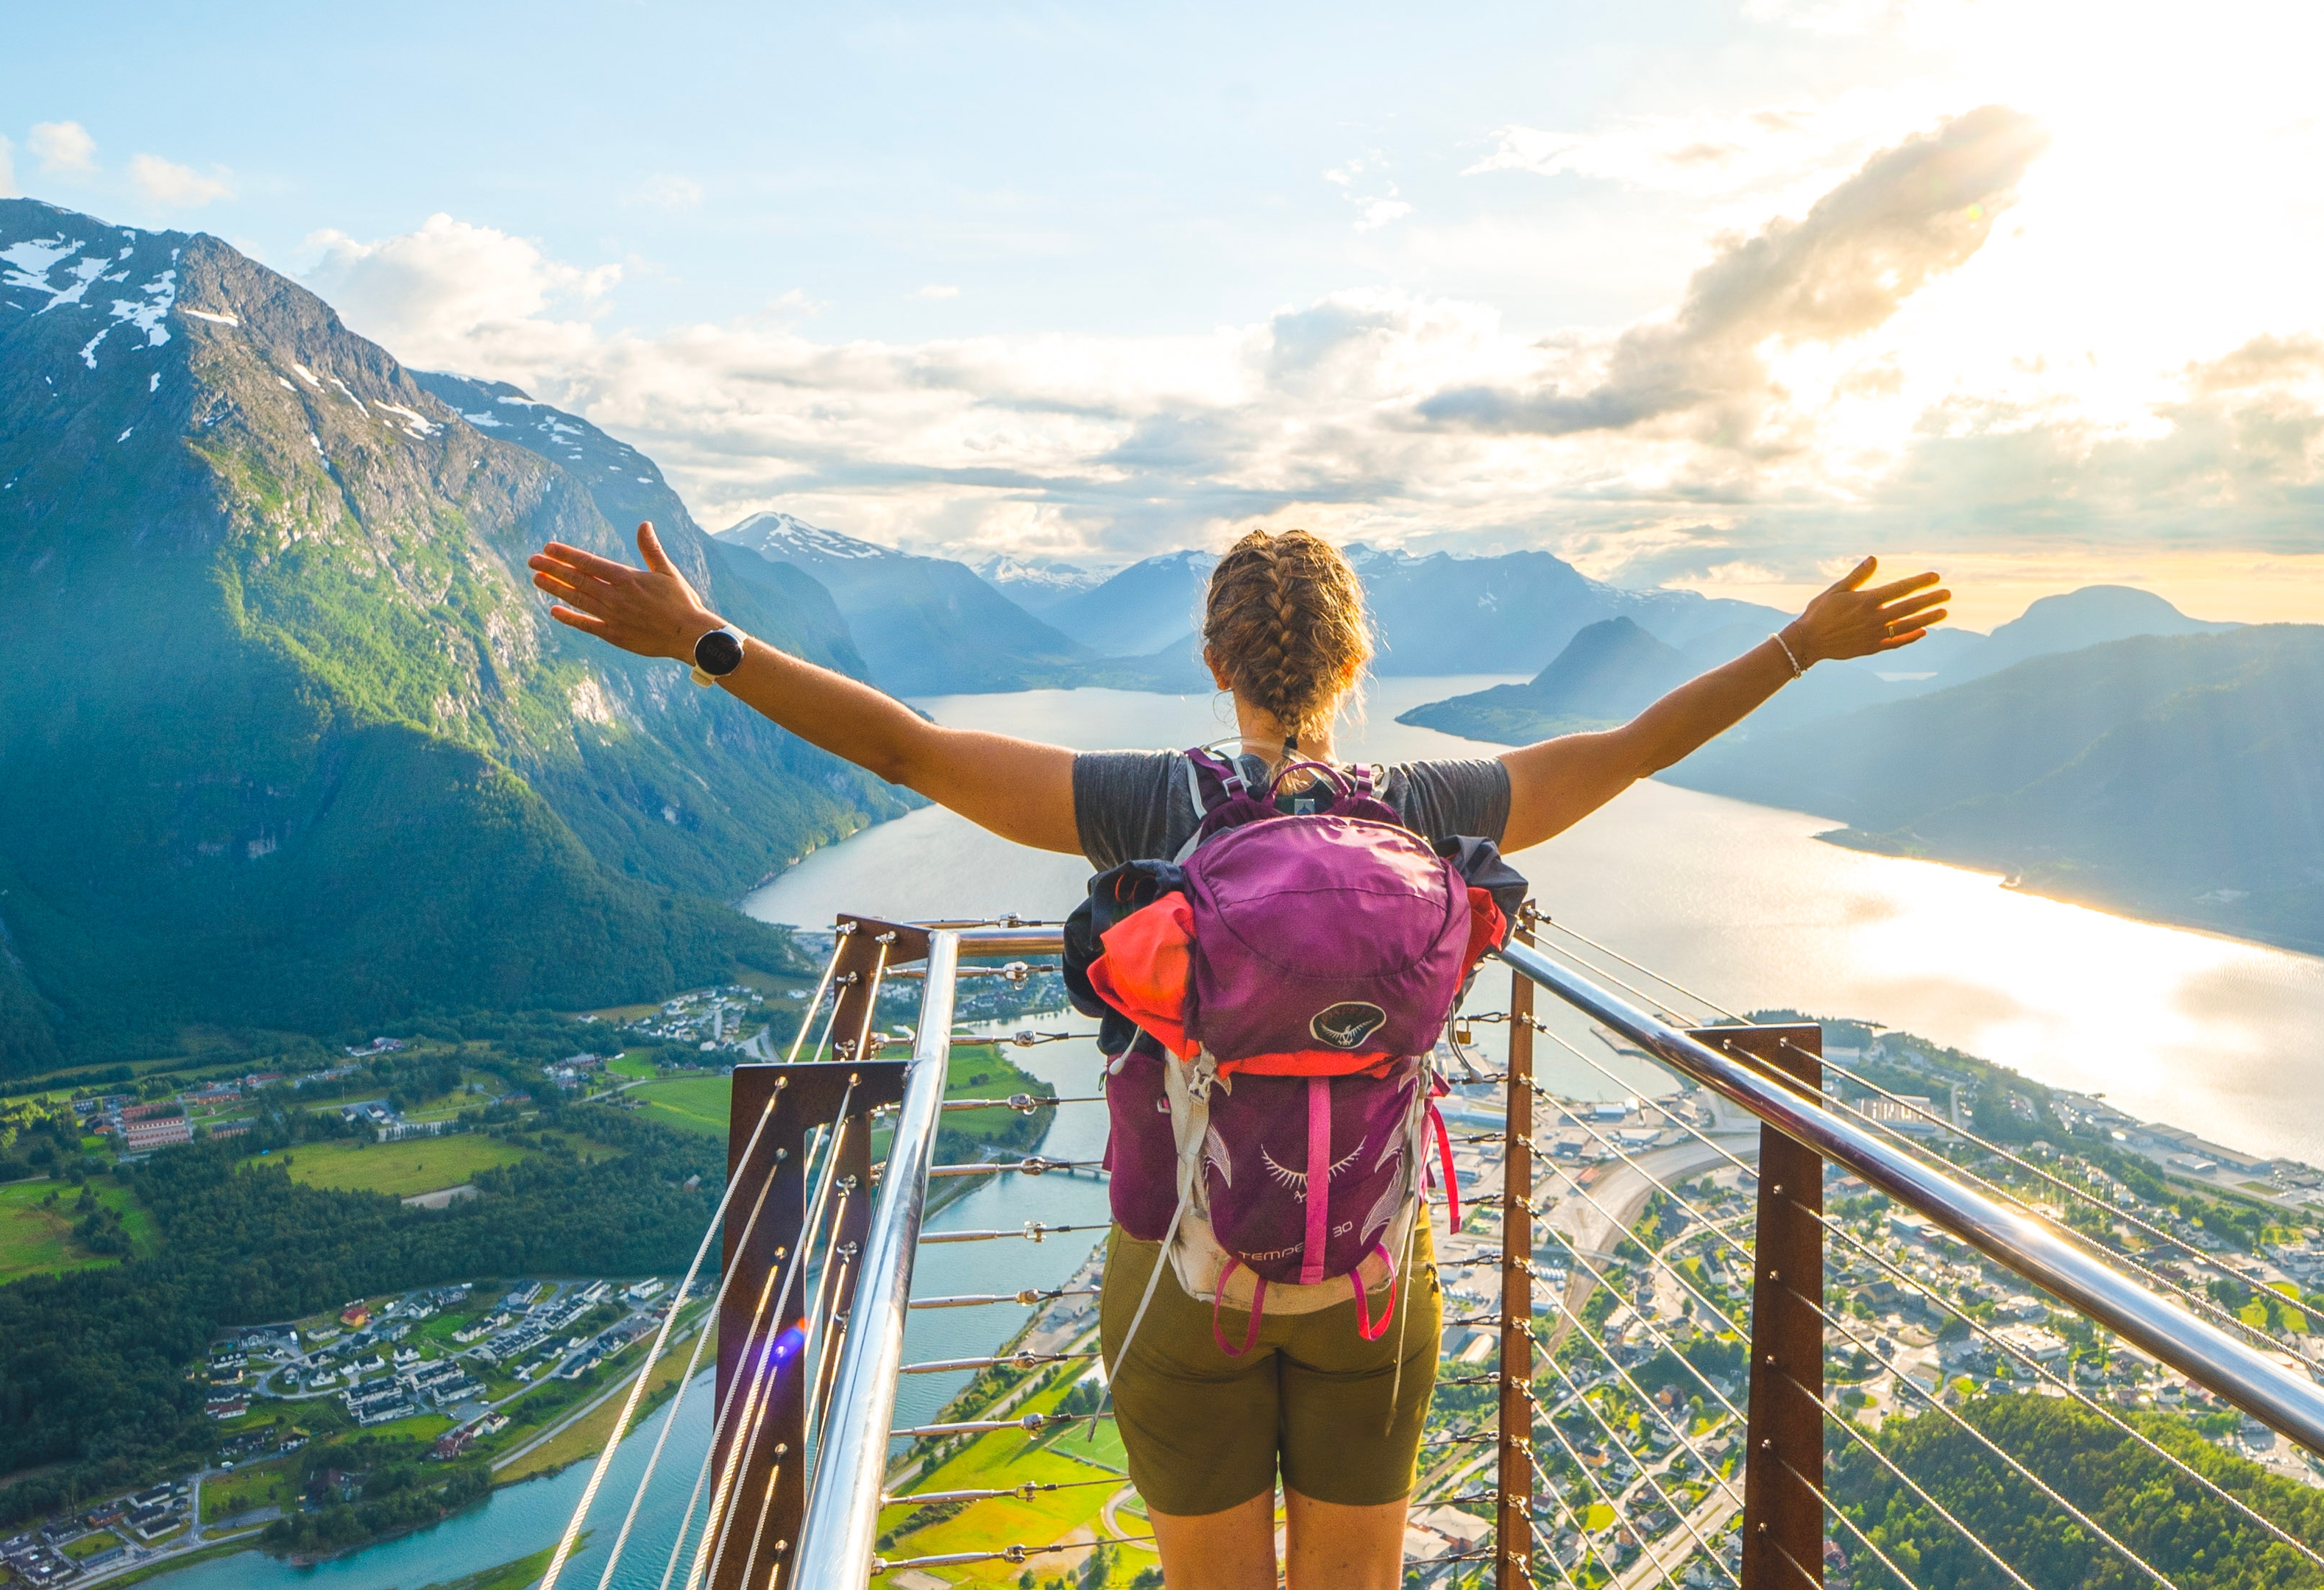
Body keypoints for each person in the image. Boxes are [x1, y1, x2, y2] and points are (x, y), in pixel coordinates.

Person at [528, 524, 1949, 1590]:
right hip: (1375, 1272)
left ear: (1214, 664)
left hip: (1178, 1254)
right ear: (1356, 665)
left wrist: (706, 641)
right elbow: (1634, 748)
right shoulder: (1434, 804)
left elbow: (906, 751)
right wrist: (1800, 645)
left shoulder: (1146, 800)